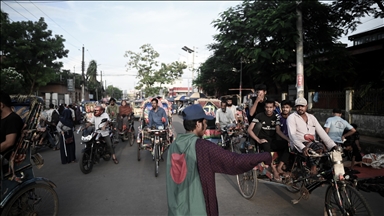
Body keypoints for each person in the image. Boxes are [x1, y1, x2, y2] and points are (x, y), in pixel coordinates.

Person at [166, 104, 272, 216]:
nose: (206, 127)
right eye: (205, 123)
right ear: (198, 124)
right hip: (197, 210)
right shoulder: (202, 146)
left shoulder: (174, 146)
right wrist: (264, 156)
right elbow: (234, 162)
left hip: (176, 210)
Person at [287, 97, 337, 176]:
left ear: (306, 106)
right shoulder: (291, 117)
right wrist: (302, 147)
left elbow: (322, 133)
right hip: (299, 144)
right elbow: (292, 135)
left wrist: (333, 146)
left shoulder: (312, 117)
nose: (300, 108)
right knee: (318, 146)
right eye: (298, 106)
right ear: (295, 107)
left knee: (328, 154)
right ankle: (313, 168)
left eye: (302, 106)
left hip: (312, 143)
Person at [247, 99, 290, 182]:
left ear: (274, 108)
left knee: (287, 145)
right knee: (266, 147)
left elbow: (278, 131)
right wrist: (258, 140)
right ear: (264, 107)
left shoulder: (276, 116)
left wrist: (288, 140)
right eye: (267, 107)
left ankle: (279, 167)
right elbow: (249, 130)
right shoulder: (259, 116)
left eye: (270, 107)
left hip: (273, 140)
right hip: (263, 141)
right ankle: (274, 170)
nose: (268, 109)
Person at [275, 100, 293, 171]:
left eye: (287, 107)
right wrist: (288, 140)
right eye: (283, 107)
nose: (285, 109)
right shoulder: (278, 117)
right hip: (280, 140)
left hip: (292, 139)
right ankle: (279, 167)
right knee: (287, 146)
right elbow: (278, 131)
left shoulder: (293, 117)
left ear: (290, 108)